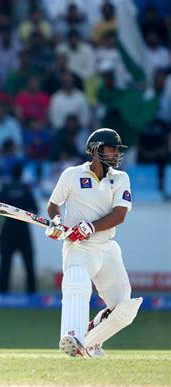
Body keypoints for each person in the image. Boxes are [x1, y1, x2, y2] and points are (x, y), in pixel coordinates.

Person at [45, 128, 142, 359]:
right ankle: (72, 337)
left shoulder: (120, 178)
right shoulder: (72, 174)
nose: (117, 152)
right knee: (76, 281)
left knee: (125, 309)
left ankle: (89, 340)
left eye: (118, 148)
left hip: (107, 247)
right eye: (112, 147)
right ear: (96, 149)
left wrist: (89, 227)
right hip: (79, 248)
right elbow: (53, 205)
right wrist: (57, 222)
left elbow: (119, 215)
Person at [0, 164, 38, 294]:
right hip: (23, 229)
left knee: (5, 263)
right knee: (28, 262)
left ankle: (2, 291)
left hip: (7, 230)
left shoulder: (5, 189)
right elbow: (35, 209)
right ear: (21, 174)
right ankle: (31, 292)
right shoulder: (25, 189)